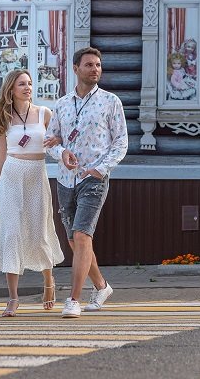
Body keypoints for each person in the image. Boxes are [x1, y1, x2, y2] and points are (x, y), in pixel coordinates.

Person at [44, 47, 128, 318]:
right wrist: (61, 152)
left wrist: (101, 169)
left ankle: (73, 299)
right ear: (76, 68)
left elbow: (121, 142)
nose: (95, 69)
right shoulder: (62, 104)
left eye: (98, 65)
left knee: (82, 235)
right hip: (65, 180)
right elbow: (50, 141)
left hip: (94, 179)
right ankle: (102, 286)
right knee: (74, 241)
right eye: (89, 65)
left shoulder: (111, 101)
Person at [0, 69, 65, 317]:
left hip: (37, 175)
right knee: (11, 234)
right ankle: (13, 298)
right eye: (22, 84)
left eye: (29, 83)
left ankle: (49, 282)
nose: (28, 87)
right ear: (11, 89)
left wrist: (59, 143)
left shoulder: (44, 113)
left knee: (40, 232)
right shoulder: (3, 119)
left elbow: (60, 142)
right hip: (11, 175)